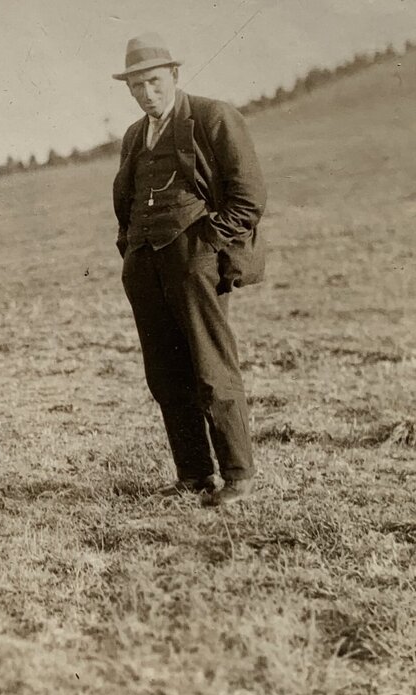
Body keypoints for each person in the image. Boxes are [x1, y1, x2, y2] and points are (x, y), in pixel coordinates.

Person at [111, 33, 267, 506]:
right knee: (164, 373)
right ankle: (195, 474)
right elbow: (126, 201)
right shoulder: (136, 136)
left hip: (193, 259)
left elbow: (249, 197)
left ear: (174, 76)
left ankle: (238, 476)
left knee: (210, 366)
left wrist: (207, 244)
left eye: (154, 82)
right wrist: (132, 250)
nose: (146, 94)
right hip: (145, 263)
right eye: (136, 87)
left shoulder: (212, 116)